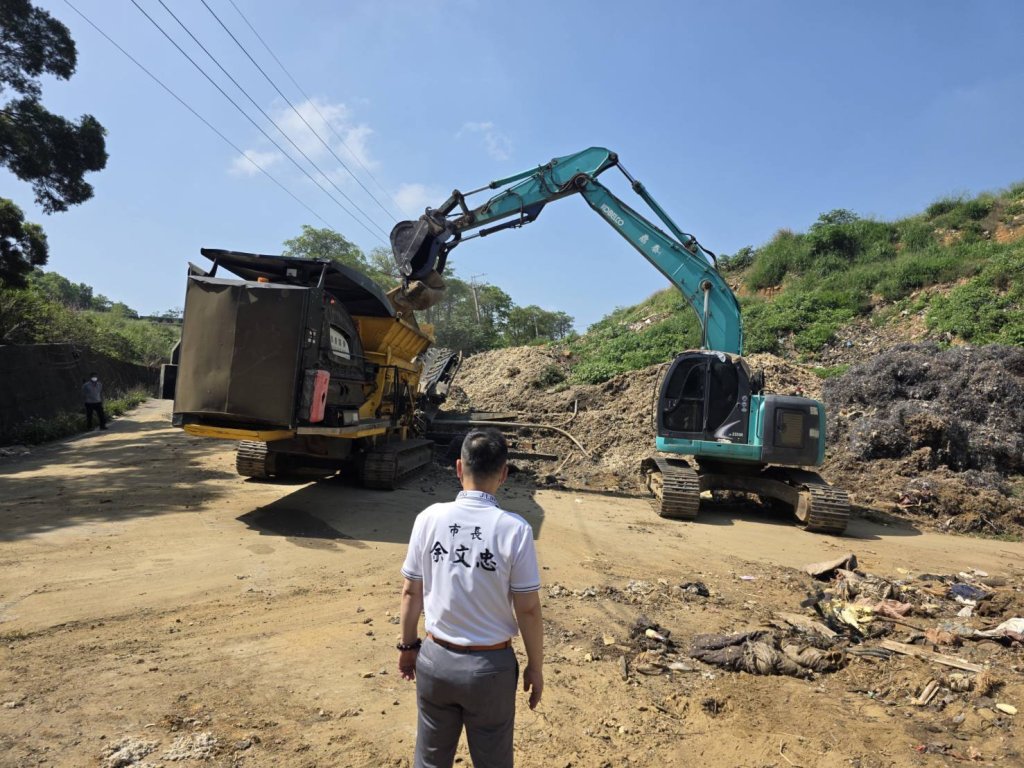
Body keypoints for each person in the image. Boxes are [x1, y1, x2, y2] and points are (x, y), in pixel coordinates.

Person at [398, 428, 543, 768]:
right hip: (490, 670)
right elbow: (529, 609)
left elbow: (410, 591)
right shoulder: (515, 529)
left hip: (435, 662)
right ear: (504, 474)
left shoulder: (428, 518)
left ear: (459, 468)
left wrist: (408, 647)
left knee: (430, 760)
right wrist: (535, 667)